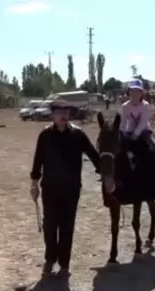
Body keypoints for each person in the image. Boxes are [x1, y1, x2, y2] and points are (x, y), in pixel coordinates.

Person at [29, 99, 100, 278]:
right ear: (53, 115)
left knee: (67, 226)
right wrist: (34, 184)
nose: (63, 115)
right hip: (50, 188)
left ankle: (64, 263)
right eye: (59, 112)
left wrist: (107, 171)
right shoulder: (45, 135)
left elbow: (94, 156)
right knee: (50, 225)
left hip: (71, 189)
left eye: (66, 112)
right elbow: (38, 161)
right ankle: (50, 259)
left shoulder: (78, 135)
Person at [120, 79, 155, 184]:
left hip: (144, 131)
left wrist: (136, 134)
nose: (135, 94)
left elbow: (144, 122)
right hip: (129, 131)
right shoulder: (125, 106)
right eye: (132, 91)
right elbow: (123, 122)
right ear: (129, 92)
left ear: (141, 93)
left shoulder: (145, 105)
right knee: (118, 148)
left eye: (137, 91)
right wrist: (122, 132)